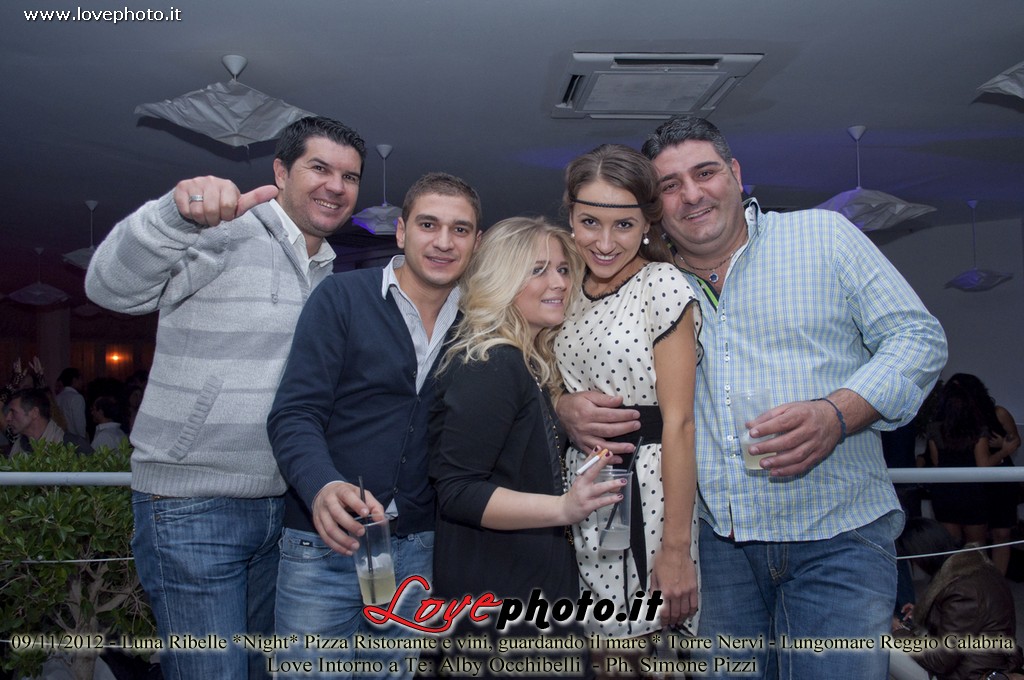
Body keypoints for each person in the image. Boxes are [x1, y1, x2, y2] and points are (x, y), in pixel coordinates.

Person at [558, 116, 947, 679]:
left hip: (836, 534)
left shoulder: (823, 237)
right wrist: (562, 407)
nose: (692, 194)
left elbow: (918, 338)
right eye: (671, 185)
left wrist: (838, 413)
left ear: (736, 173)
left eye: (705, 172)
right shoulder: (653, 280)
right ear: (656, 206)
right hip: (719, 547)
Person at [85, 115, 366, 680]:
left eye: (350, 176)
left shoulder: (329, 273)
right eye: (320, 168)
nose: (336, 186)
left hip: (280, 507)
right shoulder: (224, 230)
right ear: (281, 171)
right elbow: (108, 287)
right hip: (193, 504)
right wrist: (172, 214)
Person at [267, 172, 482, 678]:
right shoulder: (342, 297)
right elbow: (294, 413)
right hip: (325, 545)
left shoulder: (479, 323)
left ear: (477, 242)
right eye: (428, 224)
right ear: (402, 231)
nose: (444, 242)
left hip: (417, 552)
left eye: (460, 229)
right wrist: (321, 486)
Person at [428, 216, 618, 674]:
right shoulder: (491, 362)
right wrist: (563, 508)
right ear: (502, 279)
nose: (559, 283)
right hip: (498, 603)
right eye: (538, 270)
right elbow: (458, 490)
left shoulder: (524, 361)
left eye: (563, 269)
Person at [554, 144, 702, 649]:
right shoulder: (566, 290)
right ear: (570, 218)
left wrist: (676, 549)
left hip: (650, 490)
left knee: (649, 650)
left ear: (647, 223)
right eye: (589, 222)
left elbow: (680, 423)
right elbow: (544, 378)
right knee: (600, 650)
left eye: (623, 224)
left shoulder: (661, 284)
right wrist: (560, 406)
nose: (604, 242)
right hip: (584, 490)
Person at [895, 517, 1023, 680]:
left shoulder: (961, 590)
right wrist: (926, 612)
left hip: (972, 673)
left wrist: (898, 631)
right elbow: (965, 622)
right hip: (982, 660)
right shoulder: (977, 568)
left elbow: (940, 661)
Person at [945, 373, 1020, 576]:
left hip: (1000, 479)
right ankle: (977, 582)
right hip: (975, 484)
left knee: (1001, 533)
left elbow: (1015, 441)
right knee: (974, 538)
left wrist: (1002, 445)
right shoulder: (957, 418)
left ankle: (998, 582)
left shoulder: (998, 413)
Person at [4, 387, 93, 455]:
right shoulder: (20, 446)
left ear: (34, 413)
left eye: (13, 412)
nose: (8, 418)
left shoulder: (73, 446)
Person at [54, 367, 87, 439]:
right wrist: (83, 438)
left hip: (61, 437)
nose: (82, 382)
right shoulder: (77, 398)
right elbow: (79, 422)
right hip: (75, 439)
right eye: (80, 379)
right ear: (74, 380)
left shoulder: (58, 397)